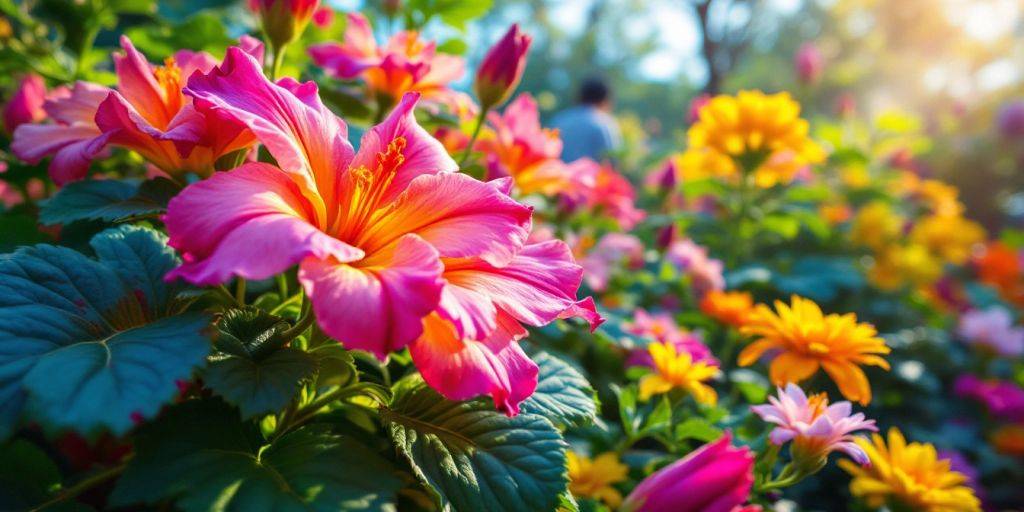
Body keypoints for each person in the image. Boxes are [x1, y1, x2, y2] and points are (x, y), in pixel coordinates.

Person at [552, 77, 622, 162]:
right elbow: (612, 161)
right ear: (605, 99)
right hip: (590, 175)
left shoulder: (560, 120)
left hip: (557, 174)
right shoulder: (605, 124)